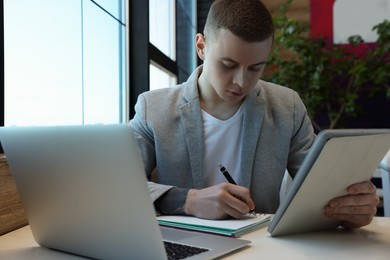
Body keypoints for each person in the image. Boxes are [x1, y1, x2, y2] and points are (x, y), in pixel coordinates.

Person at [129, 0, 379, 229]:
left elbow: (318, 190)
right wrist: (189, 201)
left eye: (255, 68)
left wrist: (350, 209)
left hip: (260, 248)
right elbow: (118, 187)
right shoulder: (154, 108)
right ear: (201, 46)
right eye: (228, 65)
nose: (241, 81)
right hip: (180, 244)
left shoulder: (287, 107)